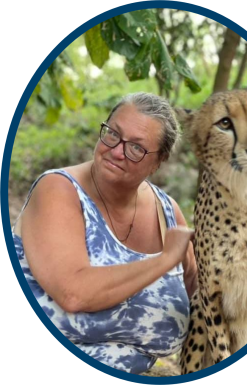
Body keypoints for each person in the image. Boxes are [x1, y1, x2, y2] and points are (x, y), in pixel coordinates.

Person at [12, 92, 197, 374]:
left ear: (159, 161)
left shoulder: (168, 213)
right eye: (112, 133)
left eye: (136, 147)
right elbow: (73, 294)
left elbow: (200, 295)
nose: (117, 150)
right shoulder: (58, 189)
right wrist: (163, 261)